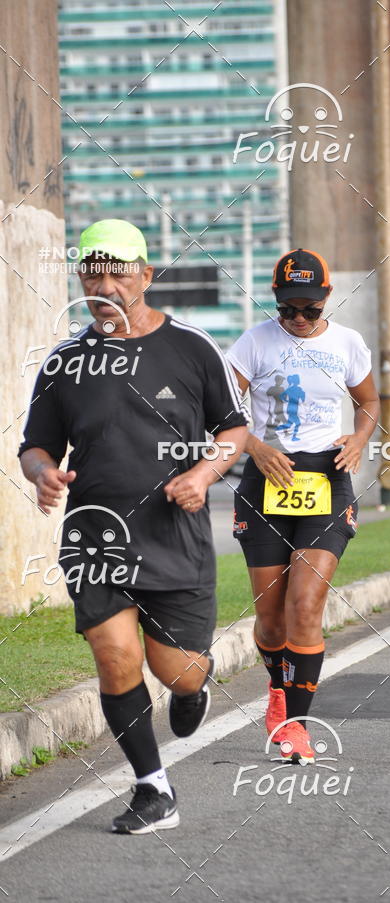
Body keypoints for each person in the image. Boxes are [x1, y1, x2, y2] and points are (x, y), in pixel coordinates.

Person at [19, 219, 248, 833]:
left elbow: (234, 430)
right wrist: (41, 473)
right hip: (95, 534)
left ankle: (192, 688)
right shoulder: (65, 362)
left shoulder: (193, 347)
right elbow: (35, 446)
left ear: (146, 276)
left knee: (178, 671)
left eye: (118, 271)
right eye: (92, 272)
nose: (104, 284)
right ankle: (153, 789)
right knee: (115, 657)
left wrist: (202, 475)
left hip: (175, 535)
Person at [227, 248, 379, 763]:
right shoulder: (253, 343)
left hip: (325, 477)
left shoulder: (347, 343)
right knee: (271, 619)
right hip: (266, 479)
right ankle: (277, 690)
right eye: (288, 309)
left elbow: (369, 402)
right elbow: (222, 411)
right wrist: (256, 446)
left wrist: (359, 439)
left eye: (310, 310)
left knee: (306, 603)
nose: (298, 319)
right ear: (274, 300)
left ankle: (296, 725)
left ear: (327, 299)